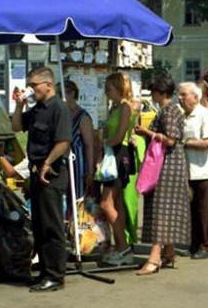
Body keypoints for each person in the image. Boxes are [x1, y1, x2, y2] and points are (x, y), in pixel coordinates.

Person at [11, 67, 72, 292]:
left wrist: (47, 164)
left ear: (48, 84)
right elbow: (16, 126)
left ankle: (56, 276)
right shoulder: (38, 109)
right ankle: (45, 272)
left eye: (34, 84)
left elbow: (63, 141)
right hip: (37, 172)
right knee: (39, 225)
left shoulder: (59, 108)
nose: (31, 89)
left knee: (51, 226)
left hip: (52, 173)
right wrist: (19, 105)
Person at [134, 74, 190, 275]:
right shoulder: (171, 110)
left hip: (167, 167)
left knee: (161, 210)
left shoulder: (169, 111)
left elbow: (171, 140)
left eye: (154, 92)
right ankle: (169, 252)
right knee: (165, 209)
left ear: (161, 92)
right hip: (169, 165)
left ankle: (155, 256)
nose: (153, 96)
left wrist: (146, 133)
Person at [99, 72, 136, 266]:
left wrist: (103, 142)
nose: (106, 92)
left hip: (118, 155)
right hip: (113, 154)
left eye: (109, 88)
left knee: (106, 204)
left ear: (119, 88)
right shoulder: (115, 108)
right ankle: (122, 245)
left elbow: (119, 135)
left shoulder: (125, 107)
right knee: (117, 203)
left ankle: (123, 247)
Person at [178, 82, 208, 260]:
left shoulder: (204, 115)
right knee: (192, 211)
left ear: (195, 97)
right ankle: (194, 244)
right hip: (188, 170)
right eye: (179, 95)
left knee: (204, 212)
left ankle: (207, 245)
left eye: (183, 95)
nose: (180, 98)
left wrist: (186, 142)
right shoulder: (183, 116)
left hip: (204, 171)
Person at [61, 80, 96, 201]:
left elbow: (89, 145)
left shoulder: (83, 117)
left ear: (71, 94)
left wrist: (90, 171)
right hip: (63, 164)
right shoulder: (62, 114)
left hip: (78, 164)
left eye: (62, 93)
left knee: (77, 199)